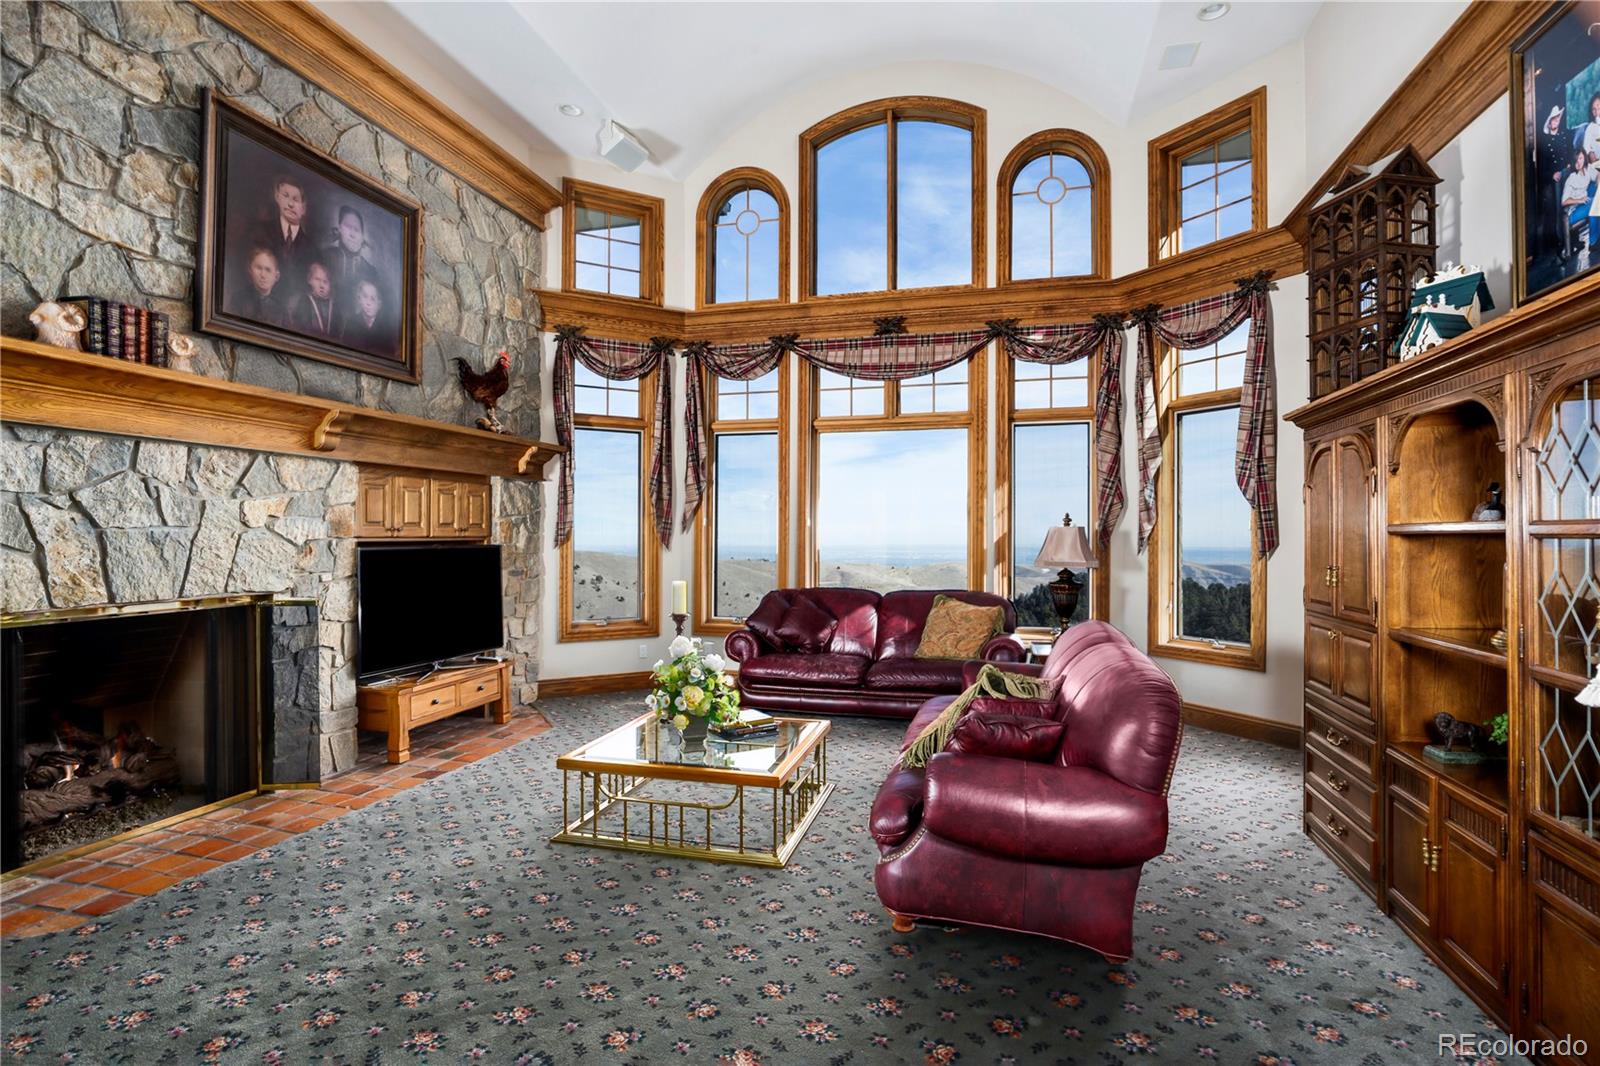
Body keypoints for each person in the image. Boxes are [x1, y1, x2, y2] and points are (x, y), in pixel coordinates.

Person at [249, 174, 312, 296]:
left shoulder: (311, 247)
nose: (290, 204)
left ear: (303, 208)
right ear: (277, 197)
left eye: (296, 199)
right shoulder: (260, 231)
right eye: (285, 196)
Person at [325, 205, 378, 294]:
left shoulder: (371, 272)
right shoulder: (325, 256)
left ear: (362, 236)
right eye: (348, 226)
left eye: (356, 230)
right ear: (340, 228)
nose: (352, 234)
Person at [232, 246, 284, 325]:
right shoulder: (238, 299)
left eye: (268, 270)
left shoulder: (281, 309)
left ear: (276, 276)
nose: (263, 275)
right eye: (259, 268)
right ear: (250, 270)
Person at [1560, 148, 1595, 261]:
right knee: (1594, 205)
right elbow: (1563, 201)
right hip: (1572, 213)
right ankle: (1594, 242)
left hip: (1583, 206)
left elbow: (1597, 175)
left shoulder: (1587, 169)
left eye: (1580, 158)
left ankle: (1595, 241)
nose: (1579, 162)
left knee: (1595, 199)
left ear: (1584, 158)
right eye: (1576, 160)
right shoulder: (1572, 178)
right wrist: (1580, 200)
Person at [289, 260, 336, 337]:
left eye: (325, 282)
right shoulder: (302, 301)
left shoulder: (335, 306)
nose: (322, 285)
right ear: (309, 280)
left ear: (330, 286)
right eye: (317, 279)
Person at [339, 278, 385, 351]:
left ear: (379, 304)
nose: (368, 303)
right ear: (359, 299)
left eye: (372, 299)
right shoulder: (351, 323)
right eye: (365, 297)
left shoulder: (384, 327)